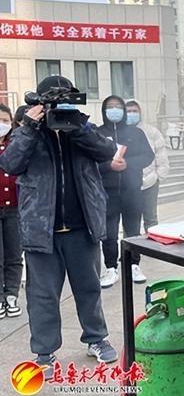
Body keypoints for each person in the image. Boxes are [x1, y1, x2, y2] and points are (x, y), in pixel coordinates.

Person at [0, 76, 120, 377]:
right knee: (42, 295)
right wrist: (29, 127)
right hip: (41, 230)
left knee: (89, 288)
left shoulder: (81, 128)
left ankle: (96, 339)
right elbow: (10, 164)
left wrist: (76, 126)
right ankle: (44, 352)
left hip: (82, 227)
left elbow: (106, 151)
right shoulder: (26, 133)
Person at [97, 96, 154, 288]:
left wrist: (129, 164)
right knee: (109, 231)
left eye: (118, 107)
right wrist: (109, 166)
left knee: (132, 229)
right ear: (104, 110)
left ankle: (133, 264)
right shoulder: (98, 133)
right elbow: (91, 161)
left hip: (132, 190)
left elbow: (148, 155)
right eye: (110, 107)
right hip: (107, 191)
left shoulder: (135, 133)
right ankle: (111, 267)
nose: (114, 110)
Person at [125, 100, 169, 232]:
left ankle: (152, 251)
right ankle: (131, 252)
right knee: (131, 222)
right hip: (128, 185)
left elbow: (161, 156)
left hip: (150, 182)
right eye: (128, 111)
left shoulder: (152, 132)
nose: (131, 114)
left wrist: (157, 177)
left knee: (151, 220)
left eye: (134, 111)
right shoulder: (121, 132)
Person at [0, 104, 23, 319]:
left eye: (5, 121)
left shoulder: (16, 145)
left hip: (15, 208)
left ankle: (11, 294)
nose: (2, 125)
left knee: (14, 254)